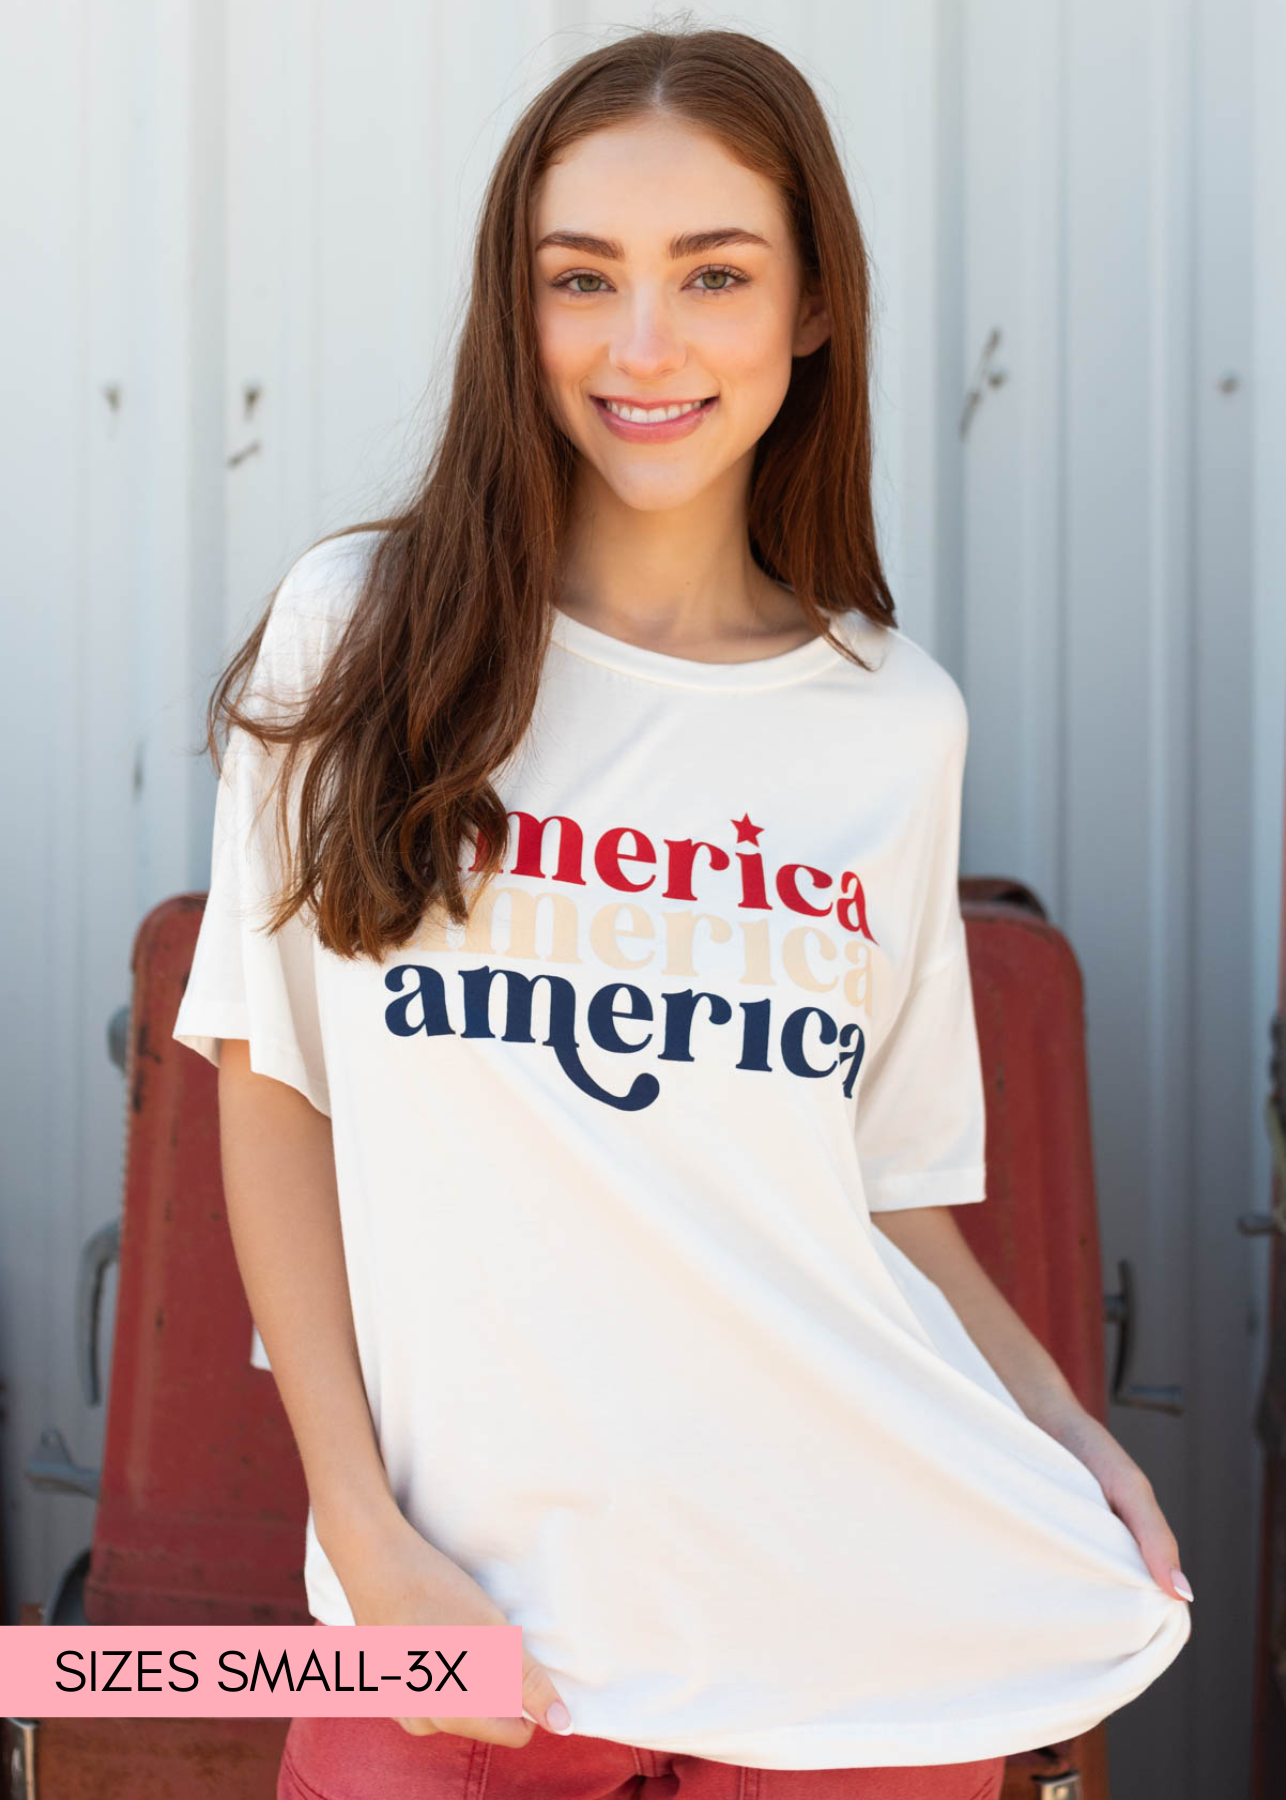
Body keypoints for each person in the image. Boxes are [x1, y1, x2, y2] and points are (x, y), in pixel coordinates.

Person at [172, 24, 1192, 1800]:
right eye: (584, 279)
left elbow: (876, 1196)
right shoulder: (365, 633)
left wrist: (1058, 1425)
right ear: (521, 306)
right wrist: (366, 1535)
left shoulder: (890, 718)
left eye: (712, 274)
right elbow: (272, 1084)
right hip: (454, 1639)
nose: (642, 345)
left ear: (808, 307)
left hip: (841, 1642)